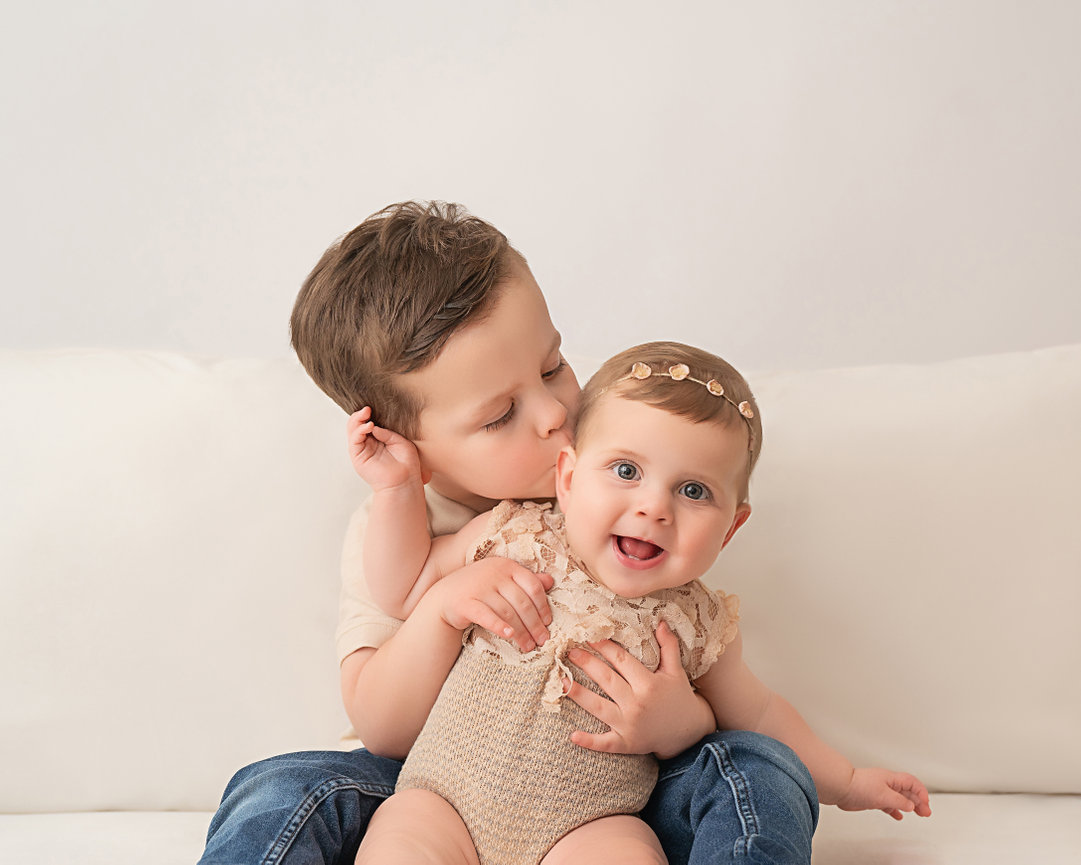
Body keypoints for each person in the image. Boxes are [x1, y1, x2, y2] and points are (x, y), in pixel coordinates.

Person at [200, 202, 821, 865]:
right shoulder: (396, 535)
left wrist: (684, 726)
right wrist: (441, 606)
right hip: (433, 788)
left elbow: (705, 646)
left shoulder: (620, 460)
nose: (555, 412)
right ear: (414, 449)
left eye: (553, 364)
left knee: (757, 766)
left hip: (610, 793)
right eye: (501, 415)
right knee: (280, 786)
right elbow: (384, 730)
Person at [350, 340, 932, 865]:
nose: (655, 507)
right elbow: (403, 584)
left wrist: (849, 781)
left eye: (694, 490)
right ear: (570, 478)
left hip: (587, 827)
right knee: (401, 843)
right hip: (442, 799)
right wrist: (396, 490)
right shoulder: (513, 534)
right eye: (626, 470)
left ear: (731, 529)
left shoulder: (697, 622)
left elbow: (760, 716)